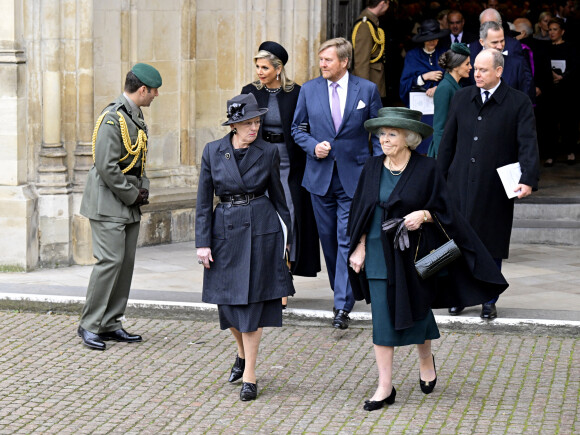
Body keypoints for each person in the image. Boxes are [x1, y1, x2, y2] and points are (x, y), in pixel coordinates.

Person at [347, 107, 508, 411]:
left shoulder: (427, 168)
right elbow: (362, 211)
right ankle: (385, 386)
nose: (384, 139)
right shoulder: (371, 168)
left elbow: (447, 211)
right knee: (382, 318)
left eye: (391, 134)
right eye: (382, 133)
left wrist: (424, 214)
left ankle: (425, 359)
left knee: (417, 311)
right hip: (380, 254)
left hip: (415, 255)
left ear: (408, 138)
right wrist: (360, 246)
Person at [195, 93, 295, 401]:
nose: (254, 128)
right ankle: (241, 354)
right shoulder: (213, 152)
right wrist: (203, 242)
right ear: (234, 125)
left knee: (252, 305)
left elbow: (280, 198)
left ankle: (250, 374)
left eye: (257, 122)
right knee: (227, 304)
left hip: (260, 229)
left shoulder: (267, 152)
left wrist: (288, 240)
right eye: (248, 123)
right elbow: (202, 201)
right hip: (224, 228)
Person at [438, 49, 540, 319]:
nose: (476, 74)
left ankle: (488, 298)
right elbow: (448, 141)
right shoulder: (461, 97)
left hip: (494, 187)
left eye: (483, 70)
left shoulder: (518, 102)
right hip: (459, 183)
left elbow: (527, 143)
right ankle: (457, 296)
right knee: (455, 240)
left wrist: (528, 179)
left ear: (499, 71)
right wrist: (437, 179)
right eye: (475, 69)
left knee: (490, 243)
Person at [291, 37, 382, 330]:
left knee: (345, 239)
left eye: (328, 60)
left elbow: (378, 133)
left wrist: (378, 170)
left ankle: (342, 305)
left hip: (353, 178)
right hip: (319, 178)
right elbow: (297, 128)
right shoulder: (308, 89)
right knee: (329, 242)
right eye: (320, 60)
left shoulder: (366, 90)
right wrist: (313, 145)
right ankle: (343, 288)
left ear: (344, 62)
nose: (322, 65)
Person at [78, 63, 162, 351]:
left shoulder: (134, 116)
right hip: (108, 203)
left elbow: (138, 161)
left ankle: (111, 323)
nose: (156, 95)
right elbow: (106, 166)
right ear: (142, 90)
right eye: (154, 91)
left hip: (127, 202)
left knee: (124, 265)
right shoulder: (112, 118)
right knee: (109, 262)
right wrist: (132, 194)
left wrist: (143, 189)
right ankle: (90, 325)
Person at [241, 41, 321, 308]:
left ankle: (284, 277)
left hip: (290, 164)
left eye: (265, 67)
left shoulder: (297, 92)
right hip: (260, 161)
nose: (260, 72)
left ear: (278, 68)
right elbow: (238, 127)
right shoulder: (249, 92)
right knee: (264, 218)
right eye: (257, 67)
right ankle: (267, 280)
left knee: (290, 218)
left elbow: (306, 127)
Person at [399, 18, 449, 153]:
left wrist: (440, 88)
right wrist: (423, 77)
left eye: (435, 38)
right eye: (428, 39)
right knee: (420, 148)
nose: (432, 41)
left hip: (440, 109)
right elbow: (404, 86)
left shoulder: (445, 53)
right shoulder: (413, 56)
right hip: (420, 110)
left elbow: (455, 79)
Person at [543, 17, 579, 167]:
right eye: (550, 29)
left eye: (555, 29)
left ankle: (570, 151)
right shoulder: (545, 48)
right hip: (550, 91)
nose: (552, 32)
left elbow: (576, 67)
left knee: (568, 122)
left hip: (567, 91)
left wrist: (563, 77)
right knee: (550, 123)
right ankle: (550, 155)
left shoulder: (571, 48)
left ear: (562, 31)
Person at [428, 43, 471, 158]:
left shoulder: (456, 85)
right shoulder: (445, 88)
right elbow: (439, 128)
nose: (470, 67)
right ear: (456, 66)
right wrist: (441, 157)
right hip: (445, 152)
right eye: (467, 64)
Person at [351, 0, 391, 104]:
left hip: (375, 80)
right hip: (370, 81)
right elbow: (361, 62)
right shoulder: (365, 25)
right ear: (383, 3)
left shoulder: (372, 21)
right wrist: (363, 91)